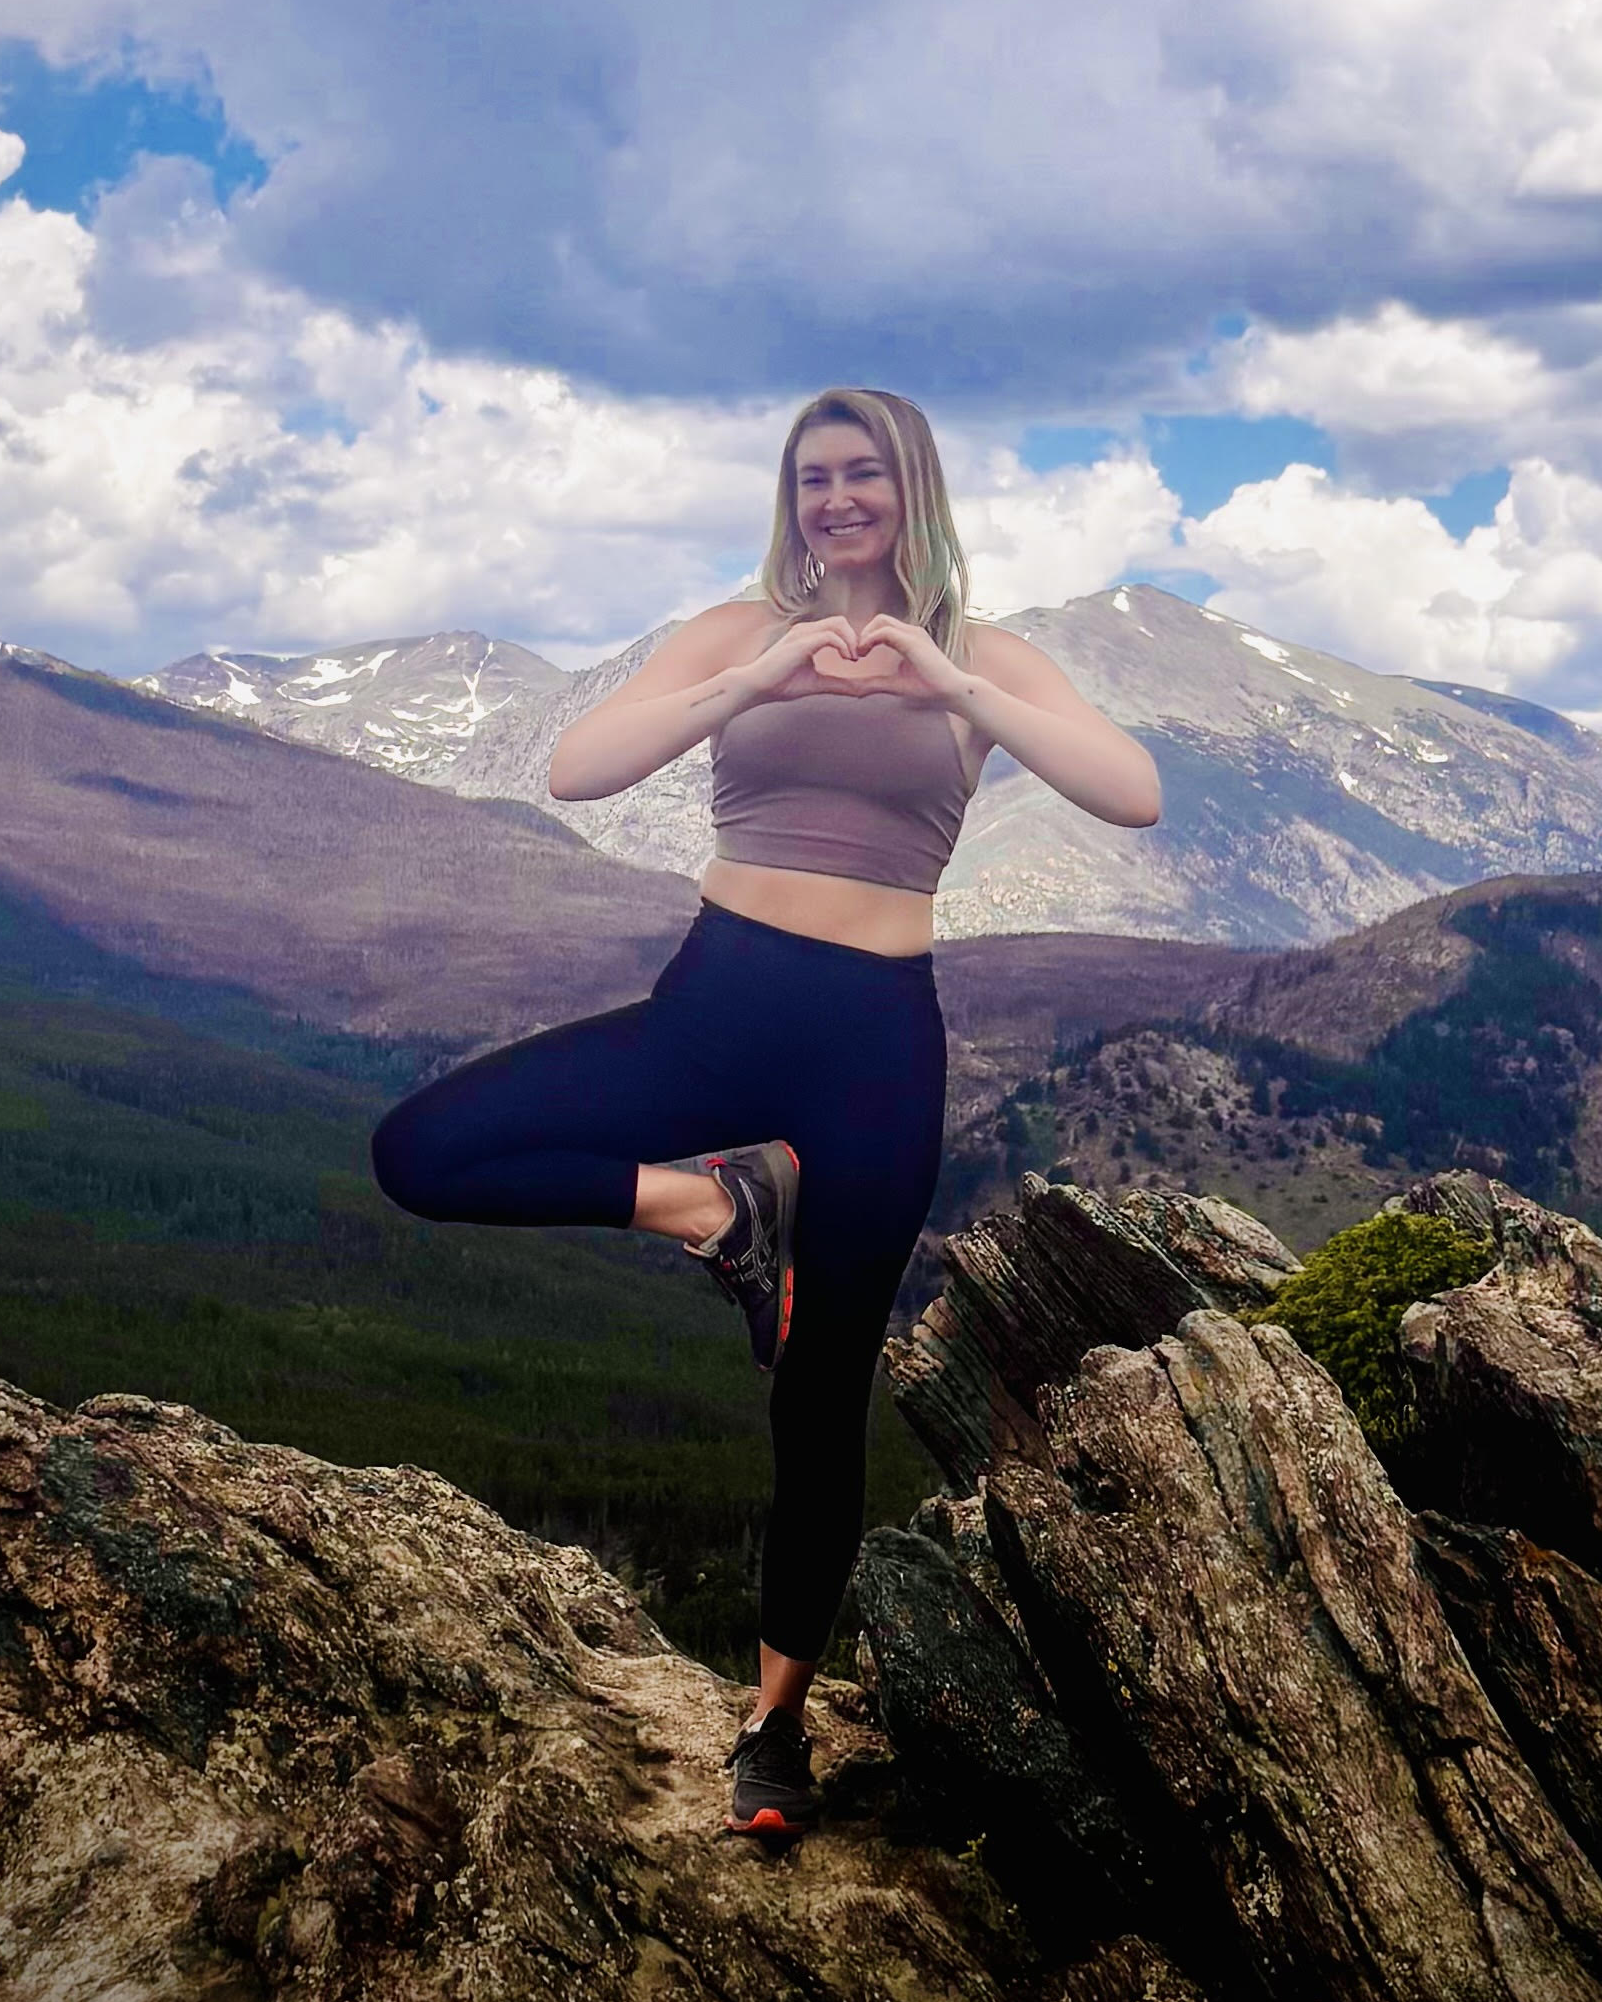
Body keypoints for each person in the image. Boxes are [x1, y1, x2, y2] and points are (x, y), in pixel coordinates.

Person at [368, 386, 1161, 1841]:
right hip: (715, 1006)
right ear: (789, 496)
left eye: (863, 473)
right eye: (813, 477)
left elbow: (1135, 792)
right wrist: (761, 674)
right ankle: (720, 1205)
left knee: (820, 1396)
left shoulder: (983, 658)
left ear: (912, 488)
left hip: (876, 1045)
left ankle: (773, 1729)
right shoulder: (736, 634)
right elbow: (580, 765)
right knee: (420, 1149)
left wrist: (947, 679)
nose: (837, 497)